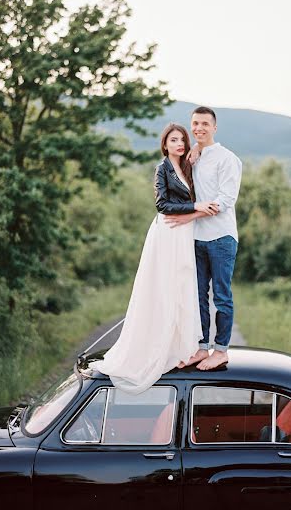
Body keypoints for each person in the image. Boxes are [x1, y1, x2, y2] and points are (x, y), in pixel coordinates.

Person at [92, 123, 219, 393]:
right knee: (165, 286)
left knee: (185, 286)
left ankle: (182, 346)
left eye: (182, 140)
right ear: (165, 144)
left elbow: (199, 166)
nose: (179, 144)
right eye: (174, 140)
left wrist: (196, 149)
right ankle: (158, 345)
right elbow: (161, 205)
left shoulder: (187, 167)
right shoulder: (162, 169)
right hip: (167, 233)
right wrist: (195, 206)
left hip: (184, 233)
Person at [165, 106, 242, 370]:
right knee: (197, 295)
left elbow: (226, 200)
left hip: (221, 237)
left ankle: (220, 350)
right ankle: (201, 347)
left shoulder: (227, 158)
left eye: (205, 124)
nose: (199, 128)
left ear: (214, 127)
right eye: (195, 124)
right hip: (196, 239)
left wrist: (189, 216)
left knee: (221, 296)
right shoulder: (193, 156)